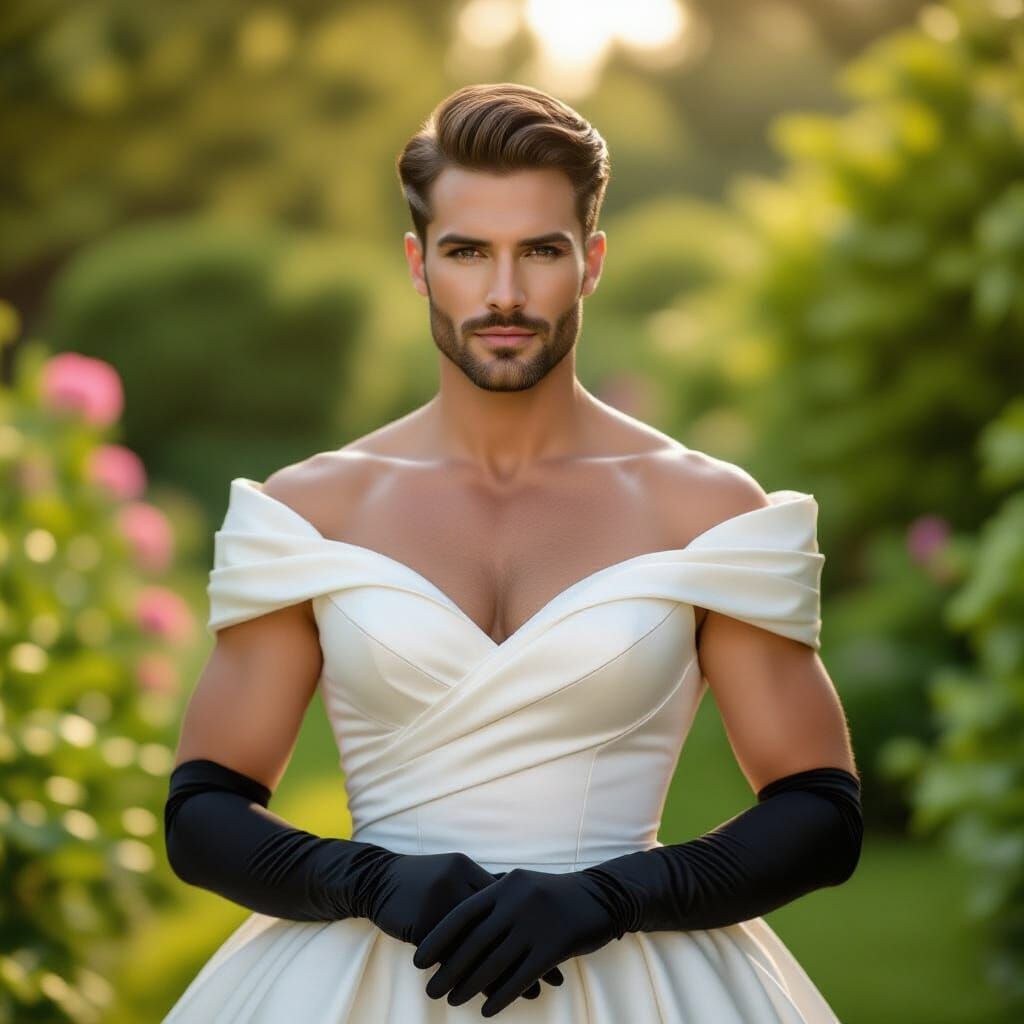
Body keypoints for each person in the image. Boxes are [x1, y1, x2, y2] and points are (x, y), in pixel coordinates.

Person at [162, 82, 862, 1022]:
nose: (502, 292)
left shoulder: (703, 508)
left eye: (540, 250)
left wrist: (612, 897)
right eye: (466, 252)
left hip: (642, 989)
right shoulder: (313, 510)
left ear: (592, 261)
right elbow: (205, 809)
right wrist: (363, 879)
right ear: (418, 264)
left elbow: (819, 809)